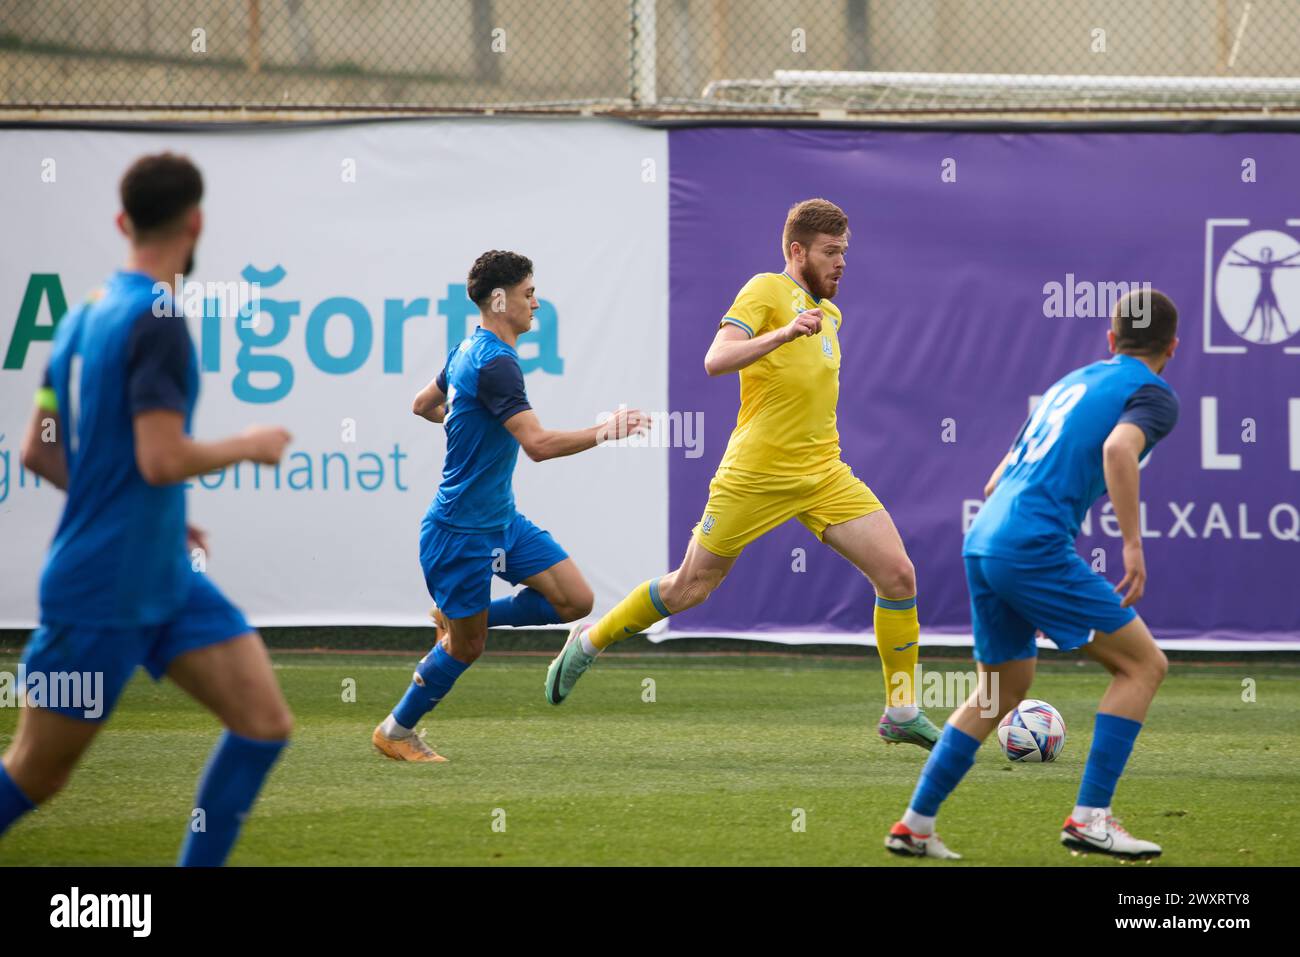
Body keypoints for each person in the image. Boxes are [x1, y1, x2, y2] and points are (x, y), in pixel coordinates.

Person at [545, 199, 940, 751]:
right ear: (796, 251)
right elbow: (715, 359)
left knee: (898, 576)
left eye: (845, 252)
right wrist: (780, 335)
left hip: (824, 471)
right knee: (690, 588)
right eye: (831, 252)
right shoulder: (766, 290)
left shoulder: (829, 315)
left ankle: (901, 710)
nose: (841, 262)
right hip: (754, 474)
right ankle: (589, 641)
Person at [1, 152, 294, 866]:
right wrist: (250, 444)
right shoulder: (159, 319)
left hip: (160, 571)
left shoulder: (81, 318)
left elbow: (39, 451)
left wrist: (151, 508)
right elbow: (160, 457)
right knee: (36, 772)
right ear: (195, 222)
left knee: (263, 723)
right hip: (103, 586)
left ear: (121, 221)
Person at [886, 288, 1180, 860]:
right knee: (1143, 665)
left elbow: (996, 480)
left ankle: (915, 826)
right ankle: (1091, 819)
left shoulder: (1073, 382)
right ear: (1172, 347)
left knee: (1000, 690)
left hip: (985, 538)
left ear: (1111, 340)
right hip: (1031, 543)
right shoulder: (1154, 393)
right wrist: (1132, 545)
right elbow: (1120, 451)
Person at [372, 250, 648, 761]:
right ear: (500, 300)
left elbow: (423, 406)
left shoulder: (467, 350)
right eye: (528, 293)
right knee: (466, 647)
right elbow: (538, 446)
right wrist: (607, 429)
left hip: (501, 520)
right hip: (459, 531)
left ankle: (455, 617)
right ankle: (395, 730)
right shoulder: (494, 362)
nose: (536, 304)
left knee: (575, 601)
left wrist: (465, 423)